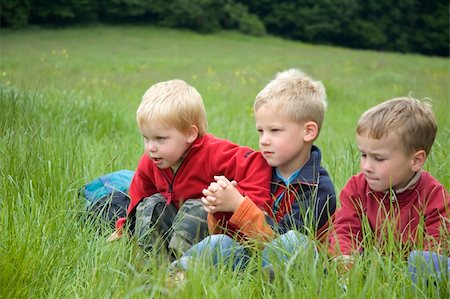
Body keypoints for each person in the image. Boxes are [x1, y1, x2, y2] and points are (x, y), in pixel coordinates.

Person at [170, 68, 336, 279]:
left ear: (308, 131)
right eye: (261, 131)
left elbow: (281, 243)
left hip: (295, 268)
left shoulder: (319, 189)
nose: (264, 140)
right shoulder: (257, 169)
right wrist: (221, 206)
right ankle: (175, 280)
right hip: (252, 259)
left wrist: (239, 205)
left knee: (293, 240)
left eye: (275, 131)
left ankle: (263, 286)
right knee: (219, 243)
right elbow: (232, 235)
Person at [107, 79, 273, 258]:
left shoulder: (213, 152)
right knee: (151, 204)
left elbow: (256, 162)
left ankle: (183, 267)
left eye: (160, 139)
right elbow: (139, 198)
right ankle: (151, 266)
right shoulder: (150, 161)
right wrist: (125, 226)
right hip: (173, 221)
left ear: (190, 133)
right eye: (146, 138)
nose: (151, 147)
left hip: (205, 230)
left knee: (198, 206)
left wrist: (243, 200)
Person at [329, 96, 449, 284]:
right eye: (363, 155)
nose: (367, 166)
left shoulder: (434, 196)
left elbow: (438, 244)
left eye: (379, 158)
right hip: (368, 270)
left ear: (416, 160)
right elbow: (345, 230)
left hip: (414, 278)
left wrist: (404, 278)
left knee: (427, 262)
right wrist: (346, 258)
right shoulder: (356, 188)